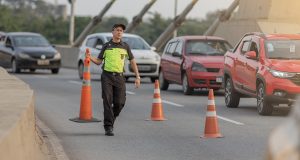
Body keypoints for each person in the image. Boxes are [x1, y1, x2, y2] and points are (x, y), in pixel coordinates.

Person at [89, 24, 141, 136]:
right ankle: (108, 127)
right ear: (112, 32)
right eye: (117, 30)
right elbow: (98, 61)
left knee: (120, 103)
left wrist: (137, 77)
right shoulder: (106, 46)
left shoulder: (125, 46)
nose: (119, 32)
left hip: (120, 77)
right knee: (107, 101)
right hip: (107, 76)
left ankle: (110, 119)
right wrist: (89, 57)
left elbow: (132, 61)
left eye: (121, 31)